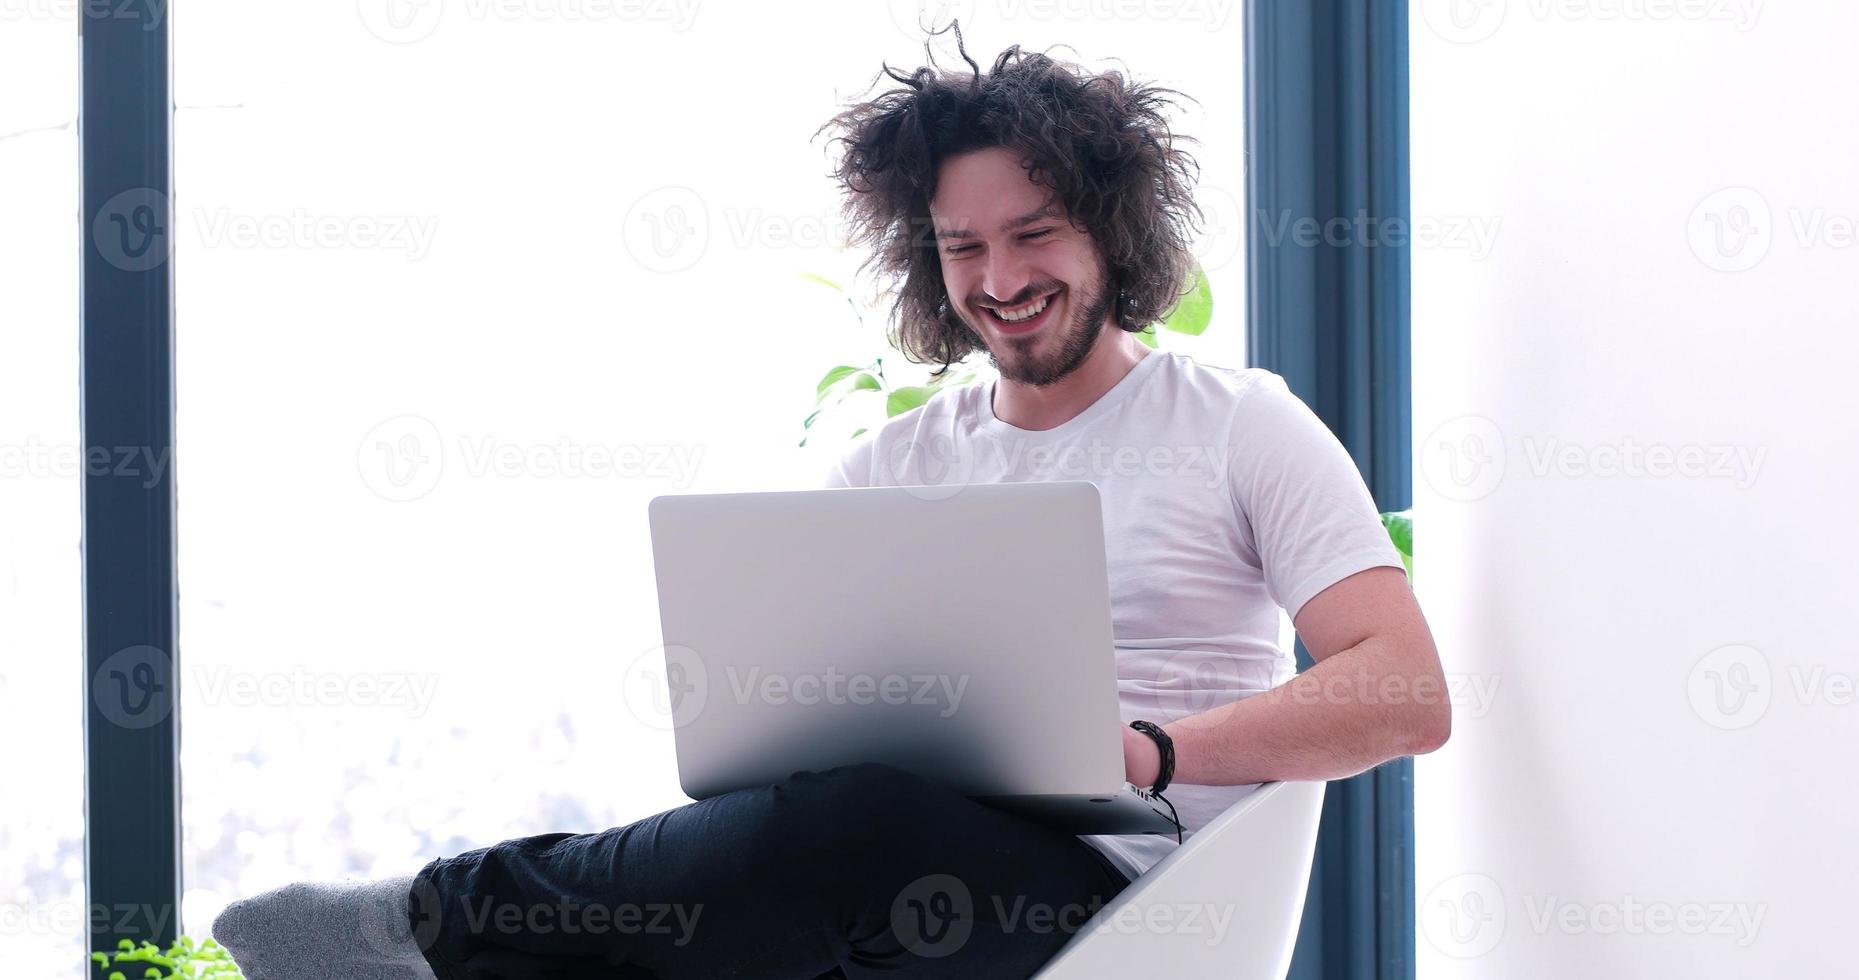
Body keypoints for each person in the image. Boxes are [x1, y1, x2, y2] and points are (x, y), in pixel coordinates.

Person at [213, 29, 1450, 980]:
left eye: (1034, 234)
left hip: (1130, 900)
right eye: (963, 248)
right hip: (887, 877)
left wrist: (1154, 749)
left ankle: (424, 915)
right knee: (802, 837)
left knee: (850, 823)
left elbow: (1406, 688)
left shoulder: (1237, 422)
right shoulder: (889, 466)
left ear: (1110, 230)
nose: (1001, 278)